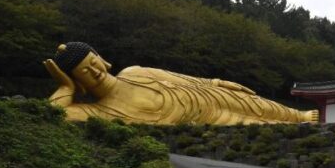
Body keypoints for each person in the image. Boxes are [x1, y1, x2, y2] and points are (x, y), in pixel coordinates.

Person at [44, 42, 318, 126]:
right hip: (201, 120)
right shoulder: (99, 111)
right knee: (249, 123)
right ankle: (294, 123)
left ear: (101, 58)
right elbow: (56, 114)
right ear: (77, 80)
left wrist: (216, 82)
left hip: (200, 95)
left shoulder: (134, 72)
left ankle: (298, 115)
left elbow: (178, 78)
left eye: (93, 62)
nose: (95, 71)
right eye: (84, 72)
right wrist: (66, 88)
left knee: (252, 104)